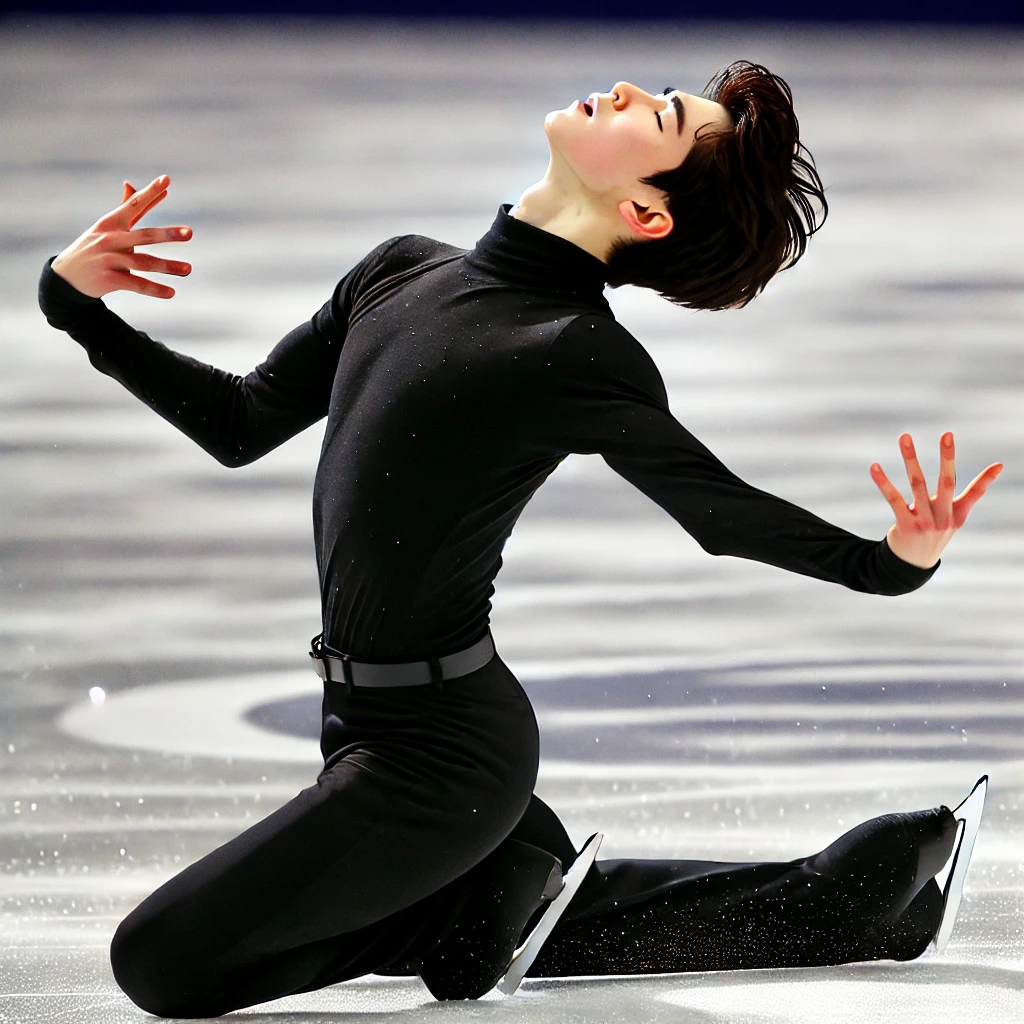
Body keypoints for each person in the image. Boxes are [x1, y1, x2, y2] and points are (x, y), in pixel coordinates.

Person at [37, 61, 1002, 1017]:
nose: (627, 91)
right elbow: (241, 422)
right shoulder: (398, 269)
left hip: (446, 757)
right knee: (567, 925)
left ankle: (464, 912)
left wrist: (888, 565)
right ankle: (855, 891)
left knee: (161, 962)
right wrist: (77, 309)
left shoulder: (573, 349)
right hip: (367, 724)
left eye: (661, 116)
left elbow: (719, 513)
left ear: (646, 213)